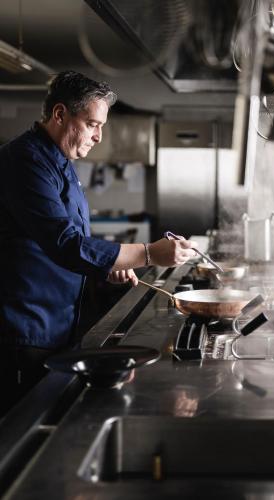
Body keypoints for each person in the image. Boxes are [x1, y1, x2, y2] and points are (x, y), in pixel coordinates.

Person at [0, 70, 197, 416]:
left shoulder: (60, 162)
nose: (98, 136)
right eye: (92, 124)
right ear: (60, 114)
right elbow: (64, 242)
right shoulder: (25, 161)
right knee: (20, 429)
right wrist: (147, 253)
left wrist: (108, 267)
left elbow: (74, 240)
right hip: (24, 329)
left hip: (58, 324)